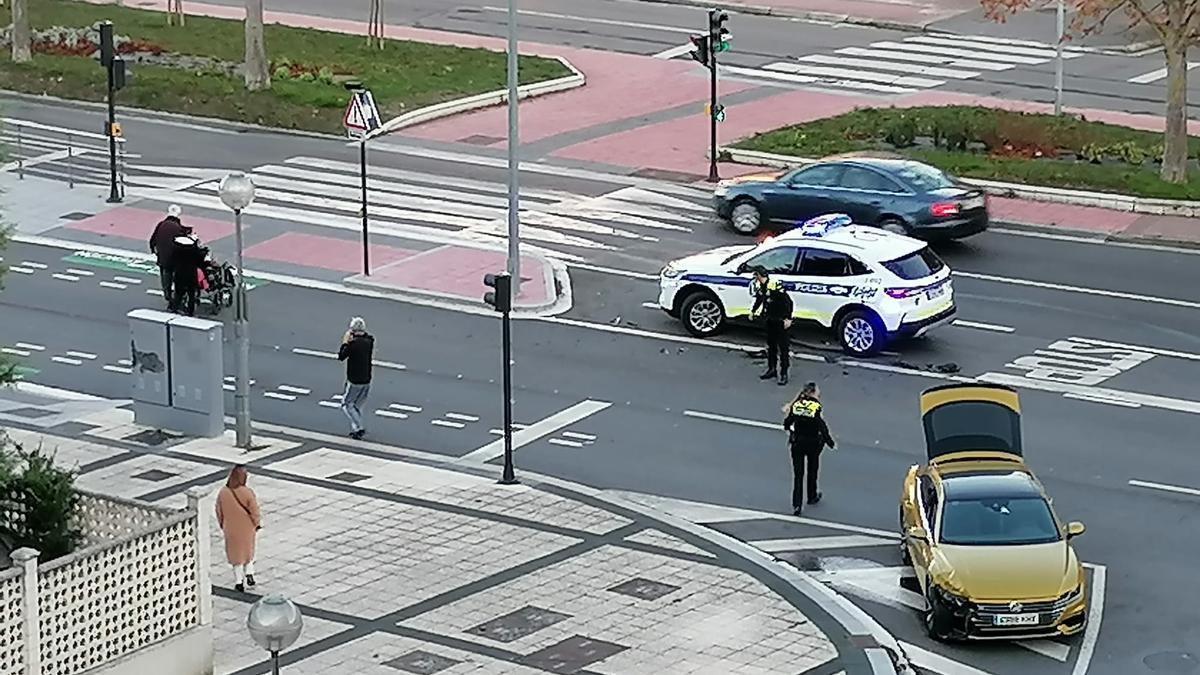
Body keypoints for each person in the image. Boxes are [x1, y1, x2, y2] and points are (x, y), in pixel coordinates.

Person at [782, 382, 835, 516]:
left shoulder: (796, 405)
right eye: (817, 392)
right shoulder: (815, 406)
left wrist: (791, 431)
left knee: (798, 475)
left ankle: (797, 505)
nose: (819, 394)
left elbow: (787, 423)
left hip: (797, 443)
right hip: (812, 443)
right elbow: (821, 425)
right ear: (812, 393)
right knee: (812, 469)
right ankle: (811, 495)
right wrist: (830, 442)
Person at [214, 465, 261, 593]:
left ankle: (239, 582)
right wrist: (256, 523)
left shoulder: (223, 492)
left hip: (231, 528)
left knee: (236, 556)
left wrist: (223, 524)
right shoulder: (247, 492)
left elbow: (218, 511)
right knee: (248, 552)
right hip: (246, 527)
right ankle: (250, 574)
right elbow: (255, 511)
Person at [750, 266, 794, 386]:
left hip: (781, 320)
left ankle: (784, 373)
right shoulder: (761, 287)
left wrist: (788, 318)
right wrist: (753, 311)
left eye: (756, 276)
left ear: (759, 275)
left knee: (783, 348)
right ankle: (772, 369)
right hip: (770, 319)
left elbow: (788, 302)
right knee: (771, 347)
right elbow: (759, 299)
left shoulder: (775, 285)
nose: (755, 278)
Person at [338, 317, 375, 440]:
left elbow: (341, 356)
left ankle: (359, 428)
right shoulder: (369, 341)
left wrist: (345, 342)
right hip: (367, 378)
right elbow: (367, 337)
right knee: (357, 406)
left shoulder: (352, 345)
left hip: (355, 379)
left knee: (347, 403)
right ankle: (355, 429)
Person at [149, 205, 185, 306]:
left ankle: (168, 295)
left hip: (163, 258)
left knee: (165, 278)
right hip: (175, 259)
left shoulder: (161, 225)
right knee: (178, 278)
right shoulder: (178, 228)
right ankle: (177, 298)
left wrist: (155, 251)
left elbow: (152, 241)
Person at [170, 231, 204, 316]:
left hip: (179, 274)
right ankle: (190, 311)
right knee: (191, 294)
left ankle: (175, 308)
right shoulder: (194, 251)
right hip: (191, 275)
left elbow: (172, 260)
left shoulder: (177, 250)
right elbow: (200, 262)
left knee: (178, 293)